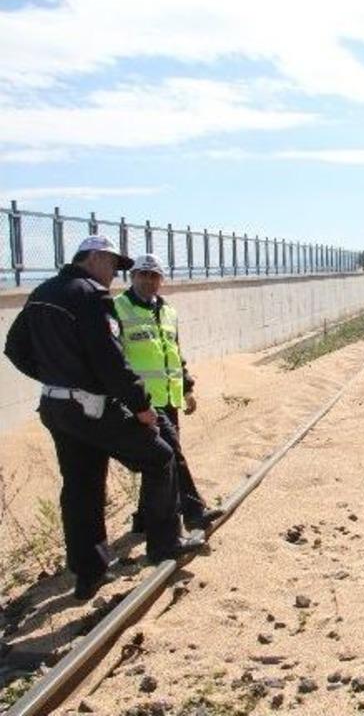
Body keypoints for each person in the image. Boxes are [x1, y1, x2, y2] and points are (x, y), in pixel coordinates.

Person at [4, 237, 204, 601]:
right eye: (113, 265)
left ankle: (89, 573)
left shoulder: (42, 293)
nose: (115, 274)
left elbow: (14, 348)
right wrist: (141, 405)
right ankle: (164, 544)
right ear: (94, 258)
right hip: (92, 406)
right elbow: (109, 359)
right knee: (160, 456)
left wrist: (57, 377)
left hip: (56, 407)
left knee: (81, 487)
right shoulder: (91, 295)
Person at [115, 254, 224, 534]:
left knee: (159, 461)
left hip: (168, 398)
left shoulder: (168, 312)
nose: (148, 281)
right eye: (143, 275)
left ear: (161, 280)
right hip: (142, 402)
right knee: (173, 455)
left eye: (154, 276)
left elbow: (175, 354)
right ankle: (193, 511)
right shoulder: (118, 308)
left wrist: (187, 388)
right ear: (132, 277)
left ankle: (142, 519)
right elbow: (113, 358)